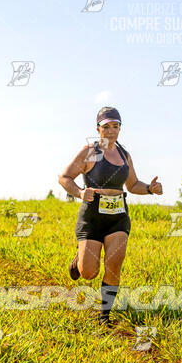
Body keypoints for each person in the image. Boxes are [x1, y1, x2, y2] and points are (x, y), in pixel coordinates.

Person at [58, 106, 163, 327]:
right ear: (98, 128)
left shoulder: (124, 155)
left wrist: (151, 189)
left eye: (116, 126)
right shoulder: (92, 151)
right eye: (106, 126)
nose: (112, 131)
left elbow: (133, 185)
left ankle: (104, 316)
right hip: (92, 218)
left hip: (118, 218)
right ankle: (79, 260)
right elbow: (64, 177)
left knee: (115, 263)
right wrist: (78, 192)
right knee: (89, 273)